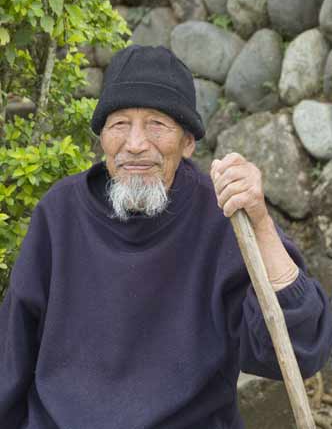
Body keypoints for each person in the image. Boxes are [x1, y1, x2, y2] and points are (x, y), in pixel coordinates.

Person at [0, 44, 331, 429]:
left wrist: (260, 222)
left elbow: (299, 349)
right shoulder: (59, 214)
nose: (136, 143)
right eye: (119, 124)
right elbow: (12, 355)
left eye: (157, 124)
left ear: (188, 142)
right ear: (103, 138)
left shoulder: (221, 218)